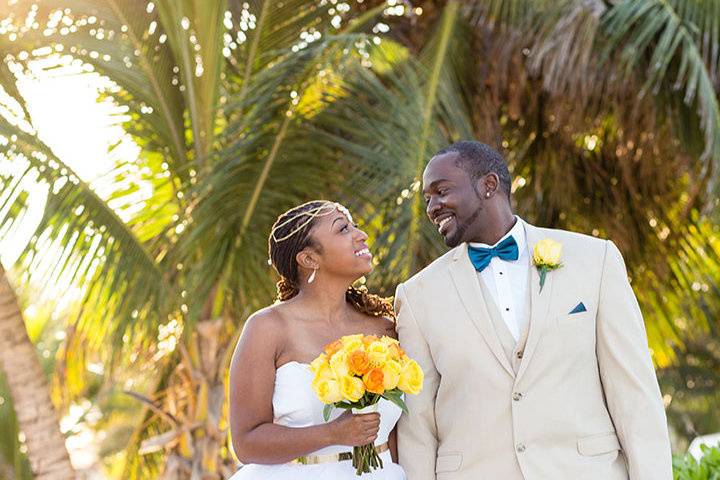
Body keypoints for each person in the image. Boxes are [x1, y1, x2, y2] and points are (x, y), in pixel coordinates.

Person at [394, 141, 672, 479]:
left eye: (441, 191)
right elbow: (417, 425)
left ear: (488, 185)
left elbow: (635, 394)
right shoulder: (417, 295)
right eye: (427, 199)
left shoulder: (594, 260)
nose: (432, 207)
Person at [228, 200, 406, 479]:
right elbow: (246, 442)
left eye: (355, 226)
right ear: (309, 258)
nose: (361, 235)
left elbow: (398, 434)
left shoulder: (386, 328)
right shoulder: (267, 328)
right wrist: (332, 433)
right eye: (343, 229)